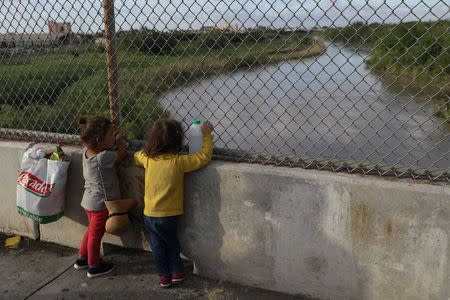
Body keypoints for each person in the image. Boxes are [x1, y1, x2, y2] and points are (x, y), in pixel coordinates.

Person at [134, 118, 214, 288]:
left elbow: (137, 156)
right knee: (171, 243)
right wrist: (206, 136)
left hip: (149, 214)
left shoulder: (148, 159)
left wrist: (146, 152)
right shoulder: (178, 163)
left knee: (156, 246)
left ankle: (164, 276)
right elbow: (203, 157)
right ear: (177, 141)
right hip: (169, 216)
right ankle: (176, 272)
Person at [73, 116, 127, 278]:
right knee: (96, 235)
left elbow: (103, 147)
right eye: (111, 134)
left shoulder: (86, 152)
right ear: (99, 140)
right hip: (101, 205)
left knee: (91, 231)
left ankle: (82, 258)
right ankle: (94, 266)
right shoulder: (104, 157)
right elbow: (121, 154)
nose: (113, 136)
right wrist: (120, 141)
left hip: (88, 200)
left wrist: (112, 140)